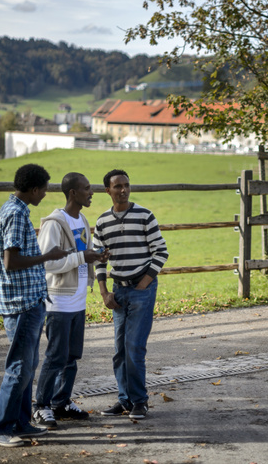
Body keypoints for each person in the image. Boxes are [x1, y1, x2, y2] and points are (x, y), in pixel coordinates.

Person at [0, 164, 68, 447]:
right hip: (20, 303)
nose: (46, 193)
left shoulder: (17, 210)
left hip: (29, 300)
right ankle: (0, 428)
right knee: (20, 367)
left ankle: (21, 423)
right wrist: (47, 255)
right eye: (44, 189)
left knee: (28, 364)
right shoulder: (16, 214)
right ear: (34, 189)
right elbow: (11, 262)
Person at [33, 173, 109, 429]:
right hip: (58, 303)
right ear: (72, 193)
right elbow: (48, 263)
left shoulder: (83, 219)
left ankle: (61, 403)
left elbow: (81, 255)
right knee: (56, 356)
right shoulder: (55, 223)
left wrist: (97, 257)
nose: (91, 192)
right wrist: (82, 257)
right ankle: (40, 406)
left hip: (78, 302)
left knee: (71, 358)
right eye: (86, 189)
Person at [93, 169, 168, 420]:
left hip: (141, 288)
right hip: (117, 291)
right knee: (119, 350)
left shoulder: (145, 215)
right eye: (117, 186)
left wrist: (143, 284)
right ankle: (124, 400)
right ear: (108, 190)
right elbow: (99, 260)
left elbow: (161, 252)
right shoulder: (102, 222)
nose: (123, 190)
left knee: (134, 348)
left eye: (126, 185)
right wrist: (104, 292)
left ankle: (140, 401)